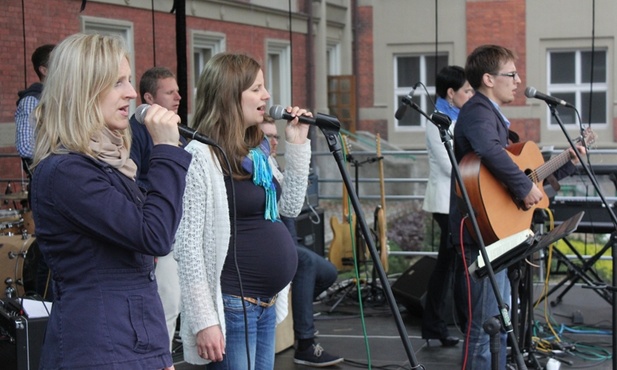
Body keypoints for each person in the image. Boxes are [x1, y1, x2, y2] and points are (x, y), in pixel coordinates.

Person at [30, 33, 191, 369]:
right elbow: (155, 235)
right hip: (100, 350)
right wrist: (164, 150)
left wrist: (159, 352)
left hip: (131, 344)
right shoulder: (67, 172)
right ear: (83, 89)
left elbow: (137, 266)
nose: (131, 93)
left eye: (129, 80)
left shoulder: (109, 163)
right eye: (118, 82)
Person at [173, 52, 311, 370]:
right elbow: (188, 247)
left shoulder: (256, 148)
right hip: (234, 304)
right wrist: (204, 321)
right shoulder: (201, 154)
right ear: (230, 95)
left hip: (265, 303)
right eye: (257, 88)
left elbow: (288, 207)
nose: (267, 95)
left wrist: (298, 144)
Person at [450, 44, 582, 369]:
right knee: (484, 330)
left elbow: (526, 172)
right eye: (511, 74)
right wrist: (522, 186)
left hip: (499, 236)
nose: (518, 80)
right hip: (480, 237)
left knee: (498, 327)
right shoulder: (479, 111)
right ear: (488, 79)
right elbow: (488, 151)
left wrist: (566, 164)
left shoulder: (492, 115)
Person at [260, 117, 344, 367]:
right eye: (269, 136)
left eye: (276, 136)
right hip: (268, 243)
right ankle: (306, 343)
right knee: (305, 262)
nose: (275, 141)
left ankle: (300, 311)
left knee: (328, 272)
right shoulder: (256, 164)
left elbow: (290, 206)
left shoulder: (272, 163)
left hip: (286, 238)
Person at [129, 66, 185, 351]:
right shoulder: (135, 132)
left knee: (174, 307)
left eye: (178, 90)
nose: (179, 96)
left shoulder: (177, 130)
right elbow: (134, 184)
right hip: (159, 237)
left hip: (180, 234)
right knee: (166, 306)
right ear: (149, 98)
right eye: (170, 92)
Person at [421, 65, 473, 347]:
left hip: (456, 199)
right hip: (445, 201)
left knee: (449, 265)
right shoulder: (436, 120)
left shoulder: (459, 118)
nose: (471, 94)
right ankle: (460, 325)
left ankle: (436, 326)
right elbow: (446, 164)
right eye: (467, 90)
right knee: (454, 265)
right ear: (451, 93)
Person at [15, 43, 55, 168]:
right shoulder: (31, 101)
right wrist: (62, 155)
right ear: (44, 71)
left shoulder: (67, 97)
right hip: (51, 177)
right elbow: (25, 147)